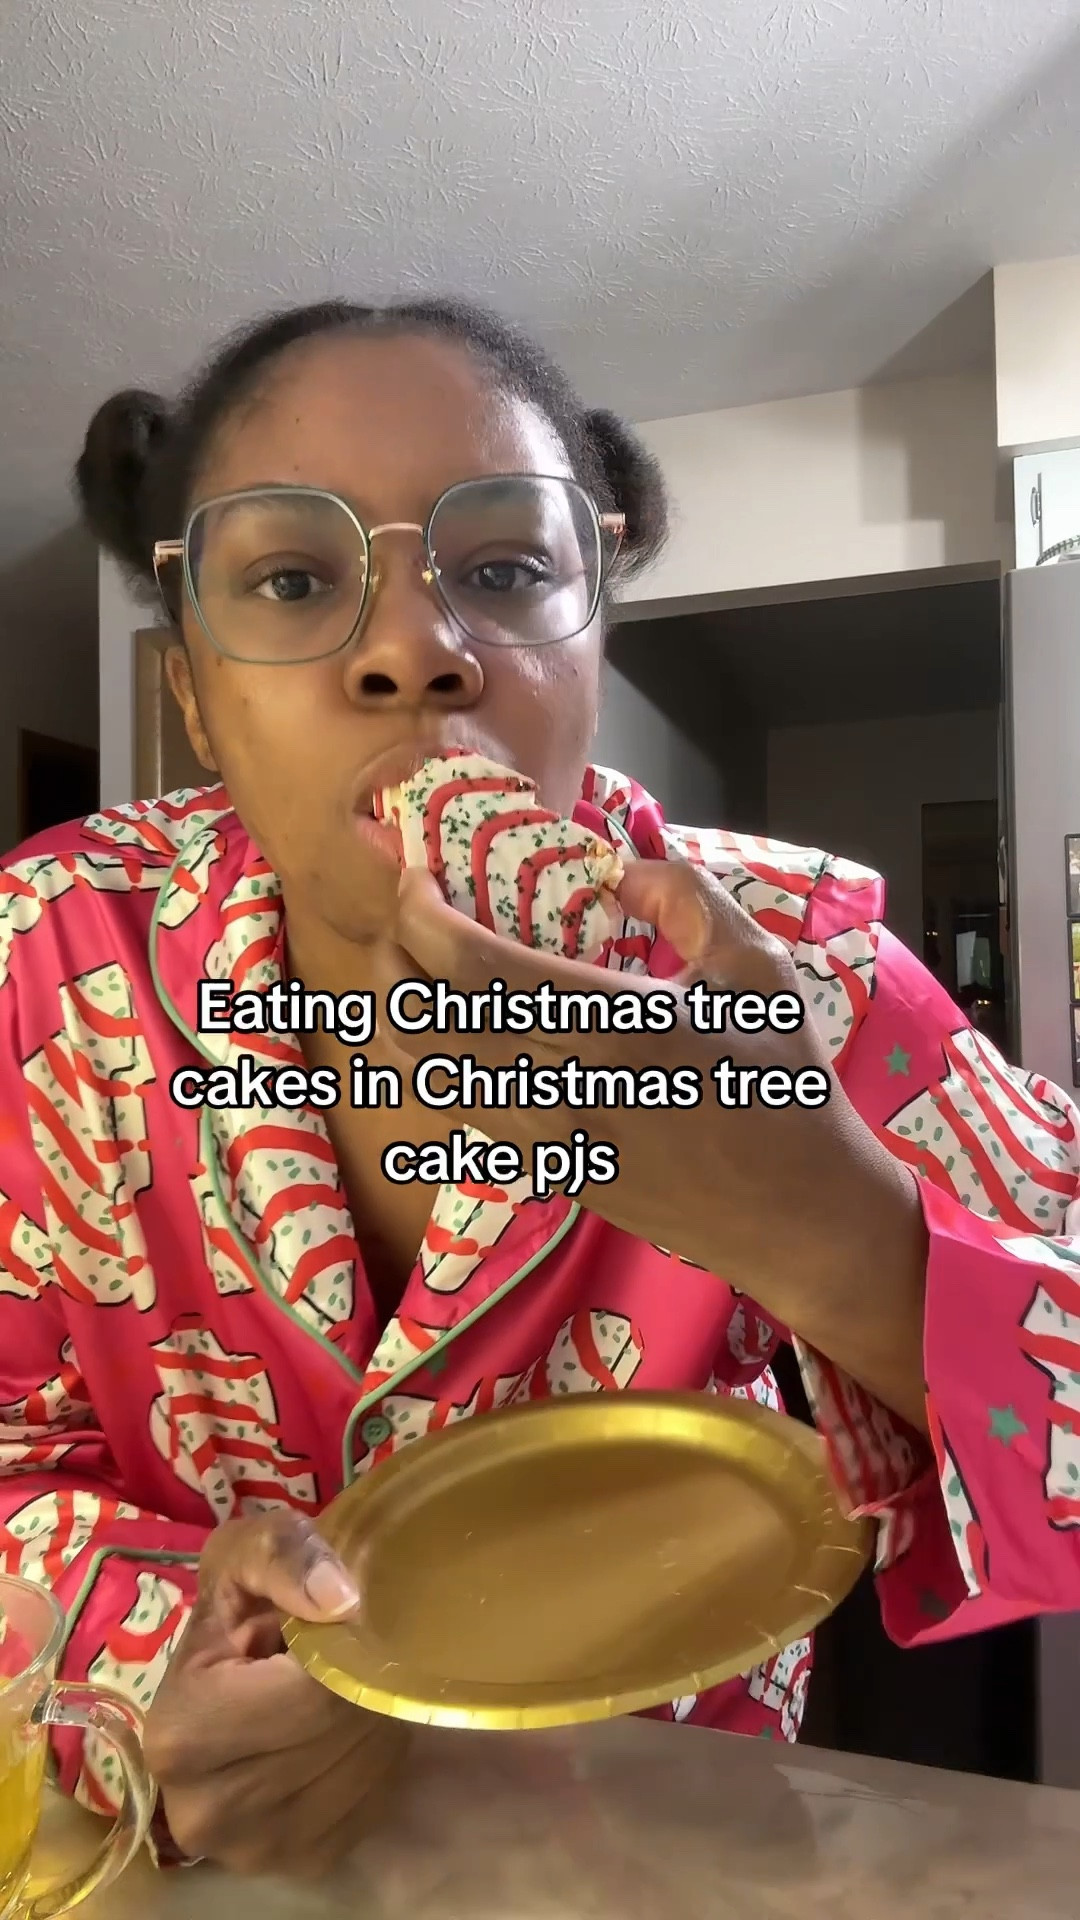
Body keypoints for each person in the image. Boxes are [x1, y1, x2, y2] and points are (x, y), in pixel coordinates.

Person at [1, 296, 1078, 1877]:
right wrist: (162, 1649)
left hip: (664, 1850)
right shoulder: (47, 953)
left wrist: (821, 1216)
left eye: (504, 572)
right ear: (196, 702)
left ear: (596, 643)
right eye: (294, 581)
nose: (415, 654)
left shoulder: (805, 973)